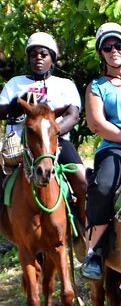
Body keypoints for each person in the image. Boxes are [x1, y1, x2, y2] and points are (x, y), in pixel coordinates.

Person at [0, 32, 88, 256]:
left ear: (52, 58)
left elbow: (73, 114)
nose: (38, 58)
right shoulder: (15, 84)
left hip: (53, 145)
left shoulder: (64, 84)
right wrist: (13, 105)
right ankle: (10, 228)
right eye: (34, 54)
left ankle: (83, 231)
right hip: (18, 146)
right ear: (29, 59)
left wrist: (53, 135)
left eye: (44, 54)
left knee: (82, 181)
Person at [80, 22, 121, 280]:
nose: (114, 50)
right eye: (107, 47)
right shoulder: (97, 87)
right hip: (116, 147)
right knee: (104, 186)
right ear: (101, 53)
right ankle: (94, 251)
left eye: (118, 44)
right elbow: (97, 124)